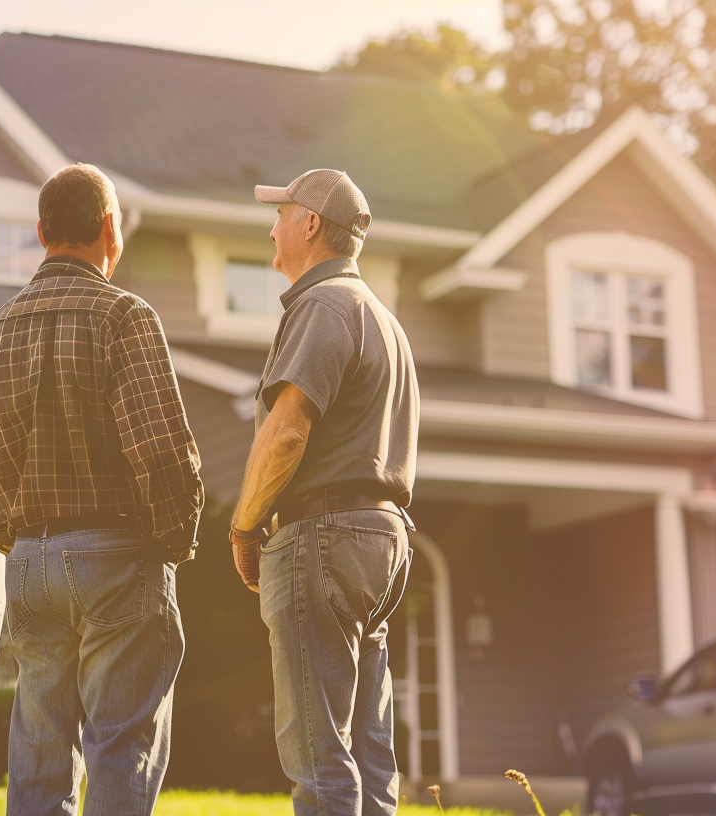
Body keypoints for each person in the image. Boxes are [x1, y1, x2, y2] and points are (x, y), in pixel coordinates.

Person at [0, 163, 204, 816]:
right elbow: (164, 452)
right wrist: (171, 546)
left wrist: (22, 541)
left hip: (30, 561)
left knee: (39, 742)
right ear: (110, 230)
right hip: (119, 552)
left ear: (41, 231)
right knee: (120, 741)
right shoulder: (124, 315)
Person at [229, 168, 420, 816]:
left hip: (323, 537)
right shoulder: (381, 318)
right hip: (383, 541)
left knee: (319, 757)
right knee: (368, 757)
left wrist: (245, 526)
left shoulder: (322, 304)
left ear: (310, 224)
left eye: (281, 213)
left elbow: (286, 432)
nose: (272, 226)